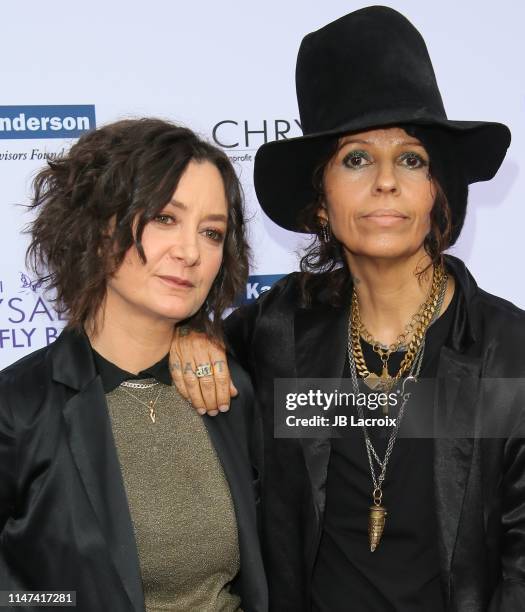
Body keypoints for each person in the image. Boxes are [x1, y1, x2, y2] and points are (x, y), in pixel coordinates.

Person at [170, 7, 525, 612]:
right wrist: (188, 334)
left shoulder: (509, 351)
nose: (385, 181)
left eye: (411, 159)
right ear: (320, 200)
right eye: (357, 158)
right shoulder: (275, 329)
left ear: (440, 189)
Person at [0, 118, 268, 612]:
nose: (190, 252)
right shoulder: (18, 408)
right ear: (100, 227)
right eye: (165, 218)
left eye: (211, 233)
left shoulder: (231, 389)